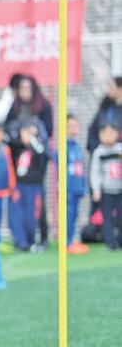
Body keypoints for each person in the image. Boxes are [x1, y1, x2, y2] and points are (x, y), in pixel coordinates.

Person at [9, 120, 49, 252]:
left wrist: (32, 139)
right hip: (19, 186)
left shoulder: (39, 147)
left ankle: (31, 240)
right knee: (17, 214)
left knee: (31, 215)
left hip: (34, 186)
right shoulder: (16, 147)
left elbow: (43, 155)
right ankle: (20, 241)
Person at [89, 121, 122, 251]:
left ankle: (120, 241)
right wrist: (96, 189)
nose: (108, 136)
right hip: (106, 191)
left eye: (111, 133)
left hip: (120, 190)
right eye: (105, 133)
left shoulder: (120, 150)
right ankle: (111, 243)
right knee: (106, 218)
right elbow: (95, 172)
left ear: (117, 134)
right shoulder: (99, 152)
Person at [65, 115, 89, 254]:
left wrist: (82, 186)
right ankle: (67, 241)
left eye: (75, 125)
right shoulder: (64, 147)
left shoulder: (77, 147)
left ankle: (71, 239)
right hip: (68, 187)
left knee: (74, 215)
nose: (73, 128)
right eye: (70, 126)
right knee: (68, 215)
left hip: (77, 187)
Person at [86, 77, 122, 155]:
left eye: (111, 87)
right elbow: (92, 131)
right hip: (104, 156)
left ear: (120, 89)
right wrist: (97, 150)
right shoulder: (105, 108)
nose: (108, 90)